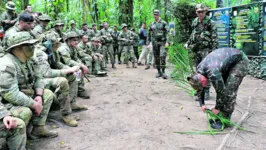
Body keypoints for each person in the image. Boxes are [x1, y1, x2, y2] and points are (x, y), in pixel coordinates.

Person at [0, 31, 58, 139]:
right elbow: (11, 94)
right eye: (30, 45)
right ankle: (14, 139)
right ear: (18, 48)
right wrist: (34, 104)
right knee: (24, 113)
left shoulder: (29, 60)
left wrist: (39, 96)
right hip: (6, 102)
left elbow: (39, 78)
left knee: (47, 94)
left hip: (25, 94)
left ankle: (38, 129)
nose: (33, 47)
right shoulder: (6, 64)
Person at [33, 32, 88, 127]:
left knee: (72, 76)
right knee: (62, 81)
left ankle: (72, 103)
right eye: (56, 43)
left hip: (47, 76)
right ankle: (66, 114)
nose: (58, 45)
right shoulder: (40, 53)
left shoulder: (54, 50)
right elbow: (46, 73)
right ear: (48, 44)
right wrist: (67, 71)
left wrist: (68, 69)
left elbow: (57, 63)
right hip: (38, 81)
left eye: (58, 42)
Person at [187, 48, 249, 129]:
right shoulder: (199, 70)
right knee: (224, 90)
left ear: (202, 80)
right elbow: (200, 89)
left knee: (229, 91)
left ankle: (226, 120)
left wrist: (217, 108)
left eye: (203, 85)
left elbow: (221, 92)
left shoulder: (212, 73)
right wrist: (202, 104)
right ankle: (221, 115)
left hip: (240, 62)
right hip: (225, 64)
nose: (204, 87)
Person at [184, 3, 218, 99]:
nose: (200, 14)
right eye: (198, 12)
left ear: (205, 12)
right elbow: (192, 35)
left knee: (206, 71)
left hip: (206, 51)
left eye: (202, 12)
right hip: (196, 50)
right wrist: (188, 43)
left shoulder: (211, 23)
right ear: (196, 12)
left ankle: (206, 91)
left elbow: (215, 38)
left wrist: (213, 52)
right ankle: (199, 89)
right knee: (198, 71)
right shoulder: (195, 22)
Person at [58, 31, 90, 99]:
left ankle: (79, 89)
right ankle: (78, 90)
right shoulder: (63, 48)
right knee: (78, 70)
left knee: (80, 68)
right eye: (74, 40)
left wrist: (82, 64)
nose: (76, 42)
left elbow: (76, 58)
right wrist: (81, 66)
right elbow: (68, 61)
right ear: (68, 40)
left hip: (68, 66)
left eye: (77, 40)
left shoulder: (73, 47)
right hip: (61, 67)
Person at [147, 10, 169, 79]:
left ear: (159, 14)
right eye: (154, 14)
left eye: (156, 14)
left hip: (162, 42)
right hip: (155, 43)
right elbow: (148, 34)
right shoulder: (152, 24)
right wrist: (148, 43)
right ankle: (159, 71)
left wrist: (167, 42)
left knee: (162, 56)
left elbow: (168, 32)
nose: (155, 16)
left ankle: (163, 72)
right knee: (156, 58)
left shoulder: (164, 23)